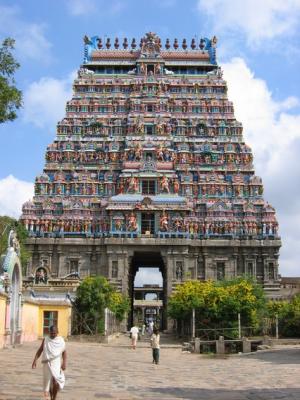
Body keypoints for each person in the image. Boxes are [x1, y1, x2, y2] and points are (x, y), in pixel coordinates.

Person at [32, 325, 67, 400]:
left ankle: (54, 398)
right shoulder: (46, 340)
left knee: (55, 381)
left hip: (56, 363)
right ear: (49, 332)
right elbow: (40, 350)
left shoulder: (60, 340)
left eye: (55, 333)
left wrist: (64, 363)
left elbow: (64, 352)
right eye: (51, 333)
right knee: (49, 382)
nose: (53, 334)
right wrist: (35, 360)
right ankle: (51, 397)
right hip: (47, 363)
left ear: (57, 332)